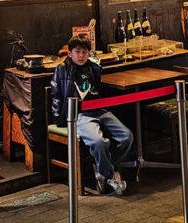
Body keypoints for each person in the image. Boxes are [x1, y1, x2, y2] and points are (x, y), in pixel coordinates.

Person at [49, 35, 132, 195]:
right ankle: (109, 176)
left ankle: (103, 171)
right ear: (70, 53)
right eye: (77, 52)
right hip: (79, 114)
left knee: (126, 136)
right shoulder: (61, 69)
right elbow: (56, 95)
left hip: (99, 109)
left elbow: (98, 90)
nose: (80, 56)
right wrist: (60, 118)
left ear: (89, 53)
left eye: (84, 52)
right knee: (98, 142)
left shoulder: (94, 67)